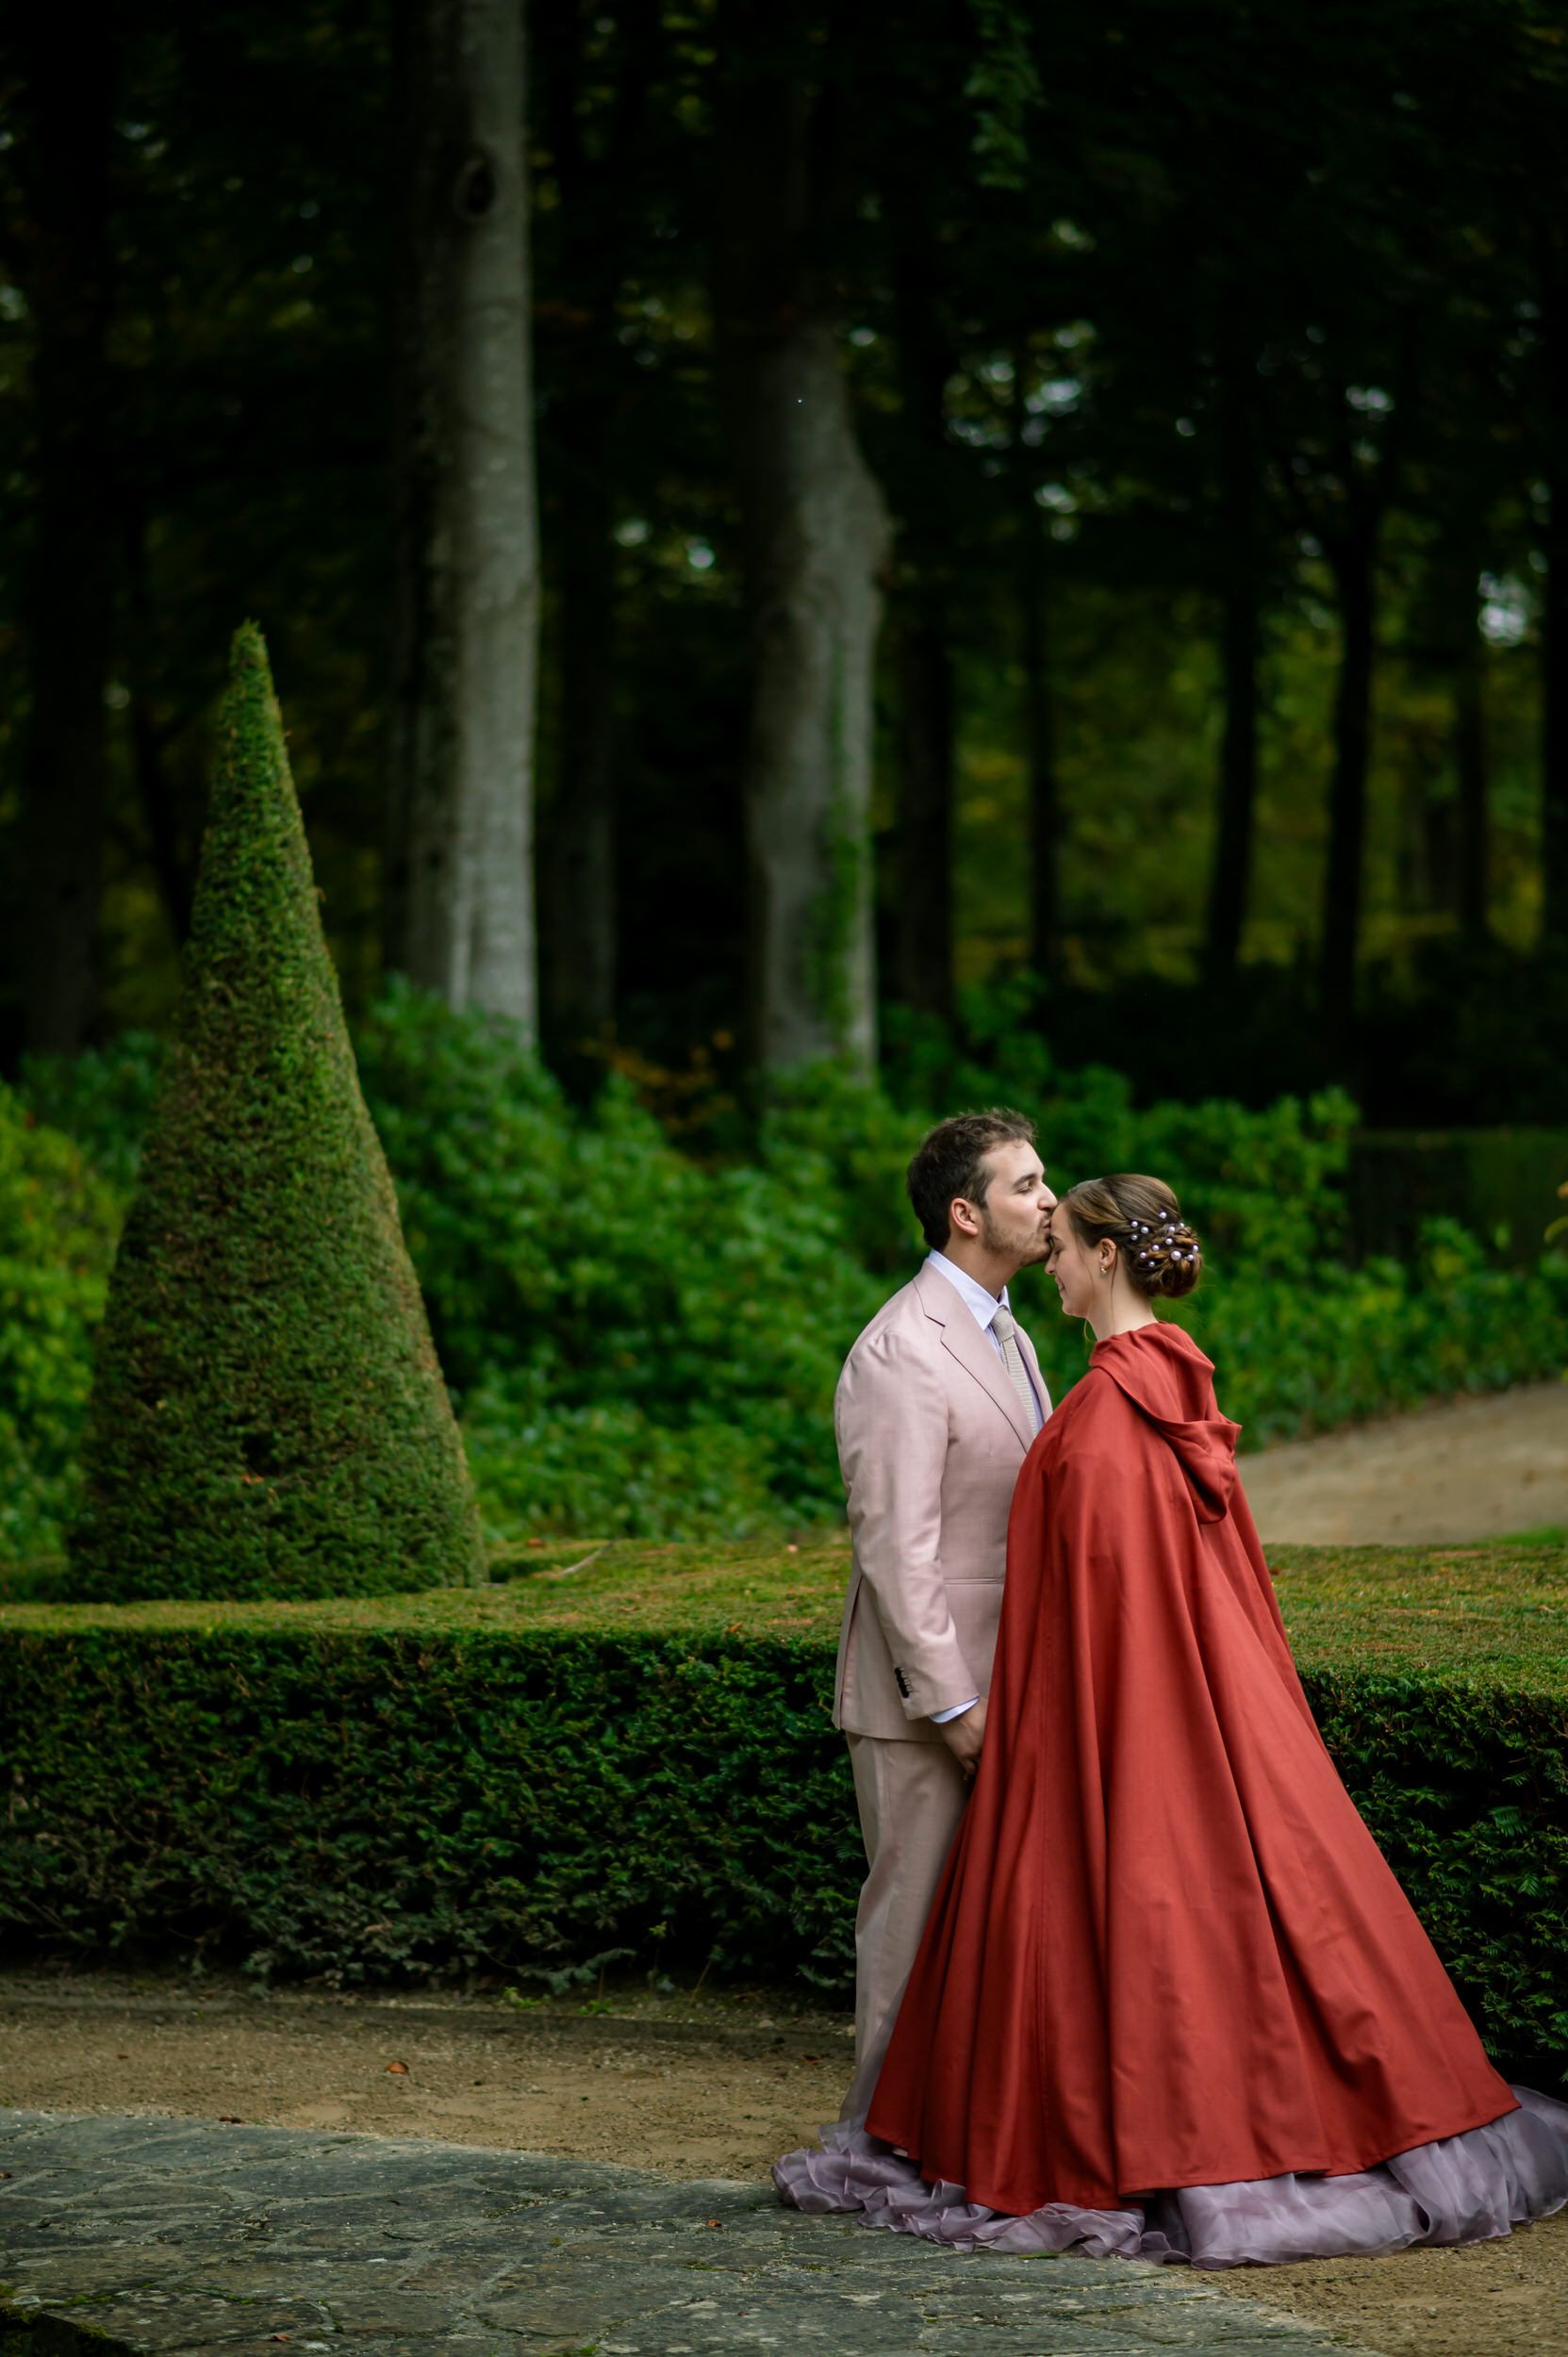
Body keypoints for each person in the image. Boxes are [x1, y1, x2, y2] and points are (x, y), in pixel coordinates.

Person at [778, 1174, 1568, 2266]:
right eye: (1034, 1218)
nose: (1047, 1254)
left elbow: (1113, 1602)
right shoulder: (1164, 1380)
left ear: (1106, 1257)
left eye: (1059, 1240)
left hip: (1109, 1722)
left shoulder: (1108, 1413)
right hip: (1140, 1703)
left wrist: (1058, 1742)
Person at [828, 1108, 1054, 2116]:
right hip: (925, 1701)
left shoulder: (1010, 1330)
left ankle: (967, 2133)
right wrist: (953, 1706)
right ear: (965, 1213)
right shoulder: (899, 1351)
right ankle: (875, 2138)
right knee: (912, 1926)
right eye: (1025, 1185)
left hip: (1016, 1681)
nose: (1049, 1199)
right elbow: (895, 1551)